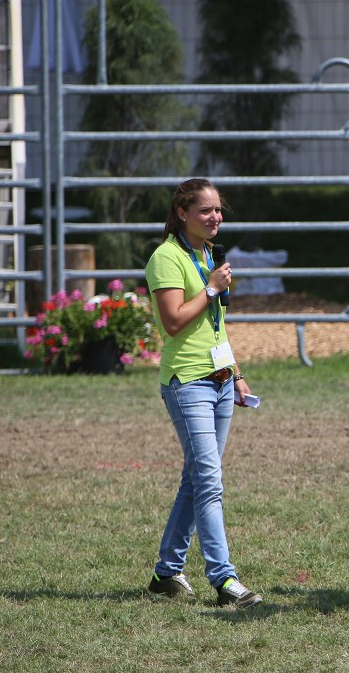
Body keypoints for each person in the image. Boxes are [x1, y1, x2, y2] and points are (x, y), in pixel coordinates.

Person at [144, 178, 263, 608]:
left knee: (196, 481)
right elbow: (173, 321)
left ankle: (165, 572)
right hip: (187, 383)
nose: (216, 218)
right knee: (209, 482)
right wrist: (210, 287)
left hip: (220, 380)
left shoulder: (208, 255)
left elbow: (217, 325)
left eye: (218, 211)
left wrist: (237, 371)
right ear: (182, 214)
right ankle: (224, 578)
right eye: (206, 211)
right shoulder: (166, 258)